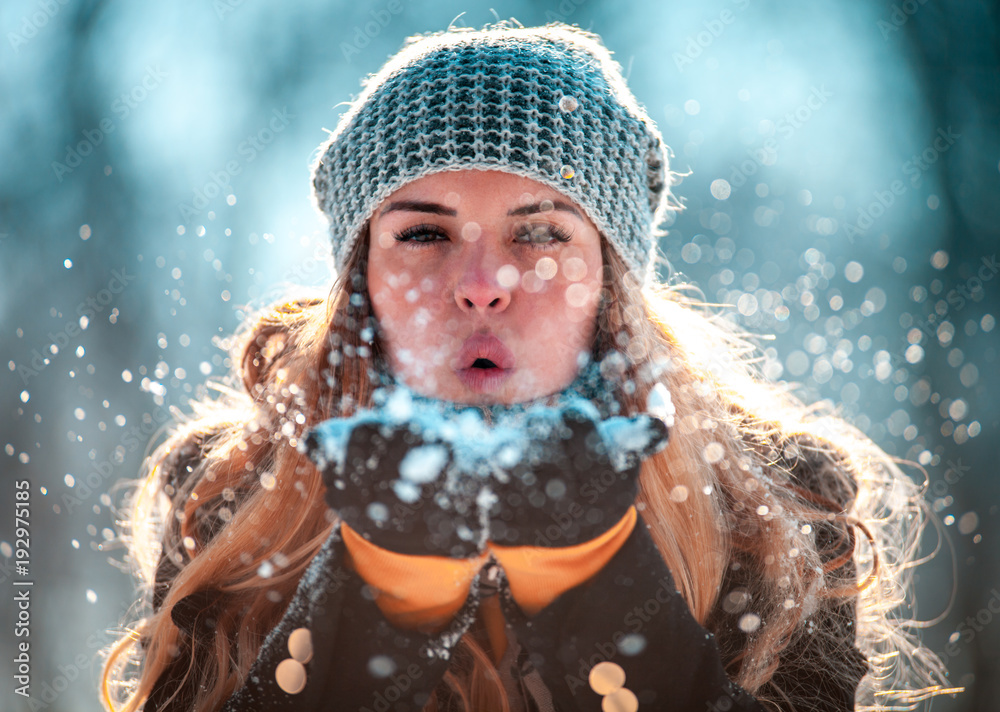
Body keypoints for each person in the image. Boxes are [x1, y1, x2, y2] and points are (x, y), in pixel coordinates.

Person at [101, 21, 960, 712]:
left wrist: (597, 587)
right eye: (424, 233)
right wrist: (381, 601)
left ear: (611, 280)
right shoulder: (228, 495)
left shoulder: (779, 503)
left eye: (542, 231)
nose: (481, 286)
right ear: (360, 280)